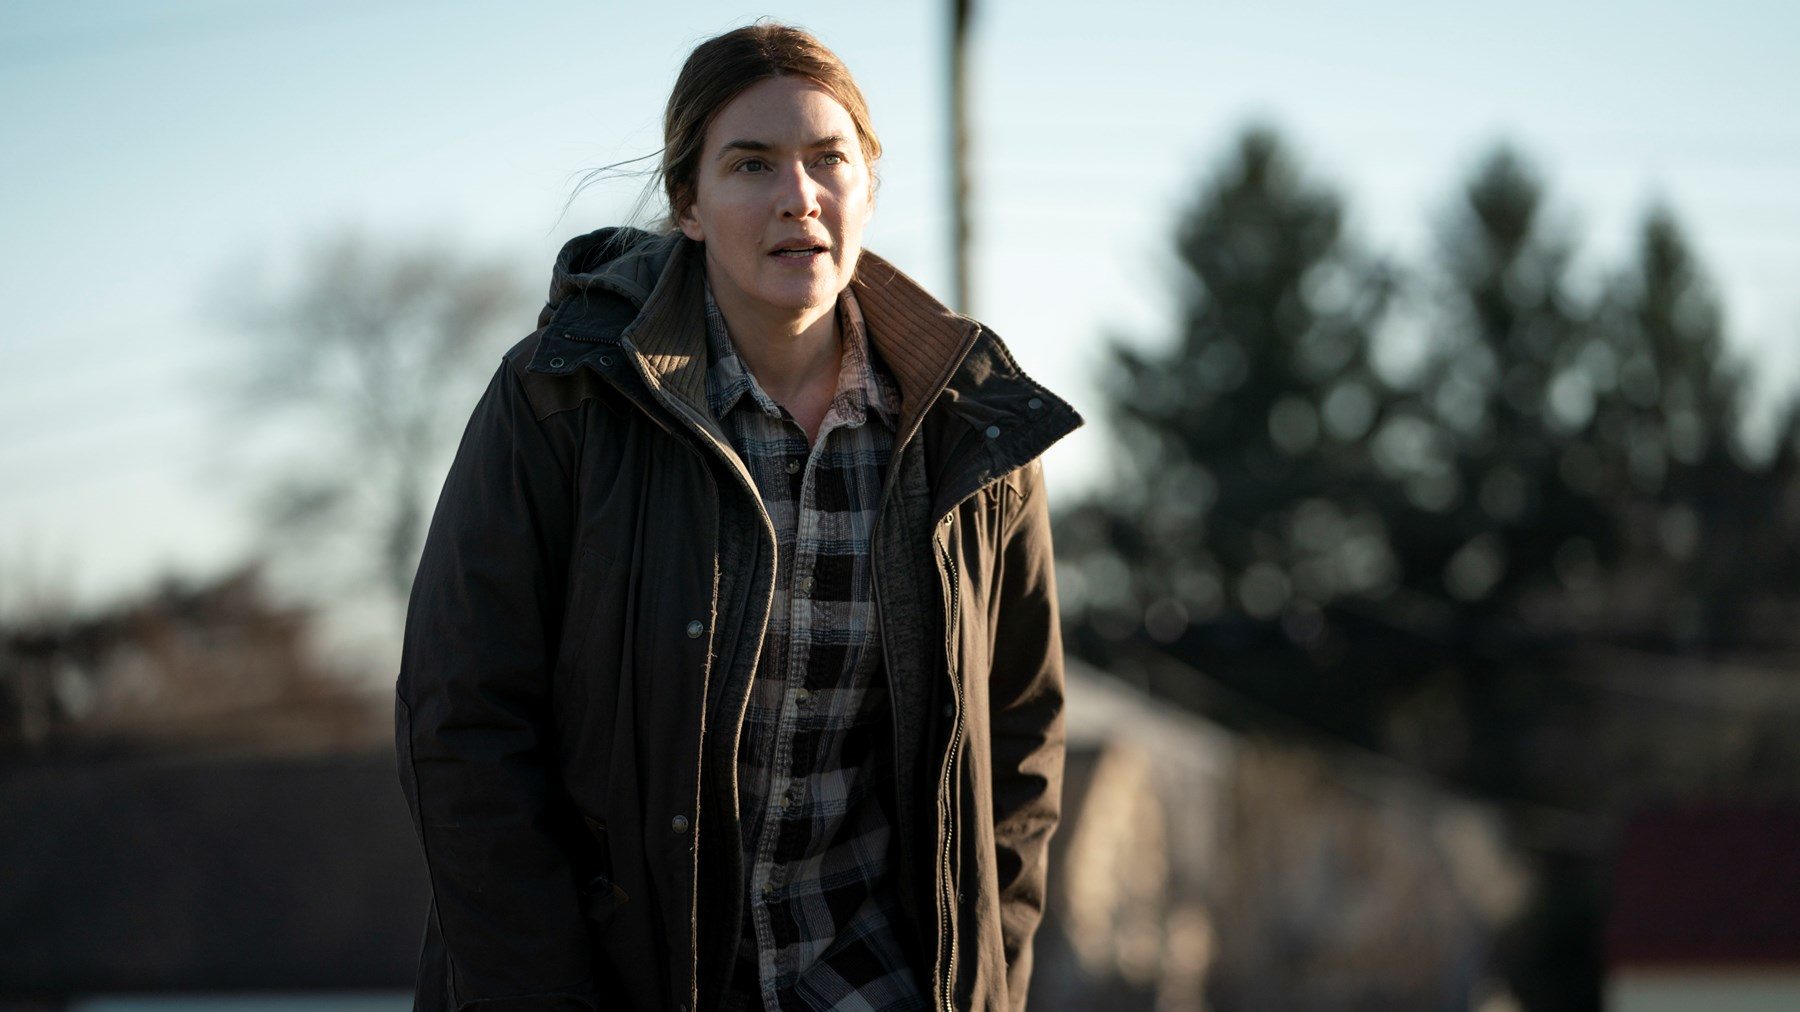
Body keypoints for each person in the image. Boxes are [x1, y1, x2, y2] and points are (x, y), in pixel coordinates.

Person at [394, 22, 1080, 1012]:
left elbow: (1019, 739)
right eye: (751, 164)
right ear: (689, 204)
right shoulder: (562, 399)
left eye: (827, 159)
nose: (798, 196)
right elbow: (462, 725)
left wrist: (989, 979)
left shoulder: (971, 429)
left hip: (874, 979)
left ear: (868, 187)